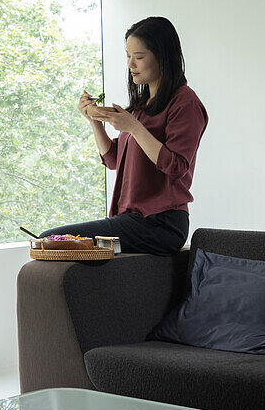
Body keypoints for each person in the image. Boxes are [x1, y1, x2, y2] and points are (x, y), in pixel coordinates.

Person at [39, 16, 208, 255]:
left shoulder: (185, 102)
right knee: (51, 241)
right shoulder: (141, 106)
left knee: (51, 240)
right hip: (132, 221)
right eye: (128, 56)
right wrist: (95, 122)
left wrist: (135, 128)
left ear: (162, 56)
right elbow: (113, 160)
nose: (131, 64)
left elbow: (177, 166)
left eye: (139, 57)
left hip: (162, 224)